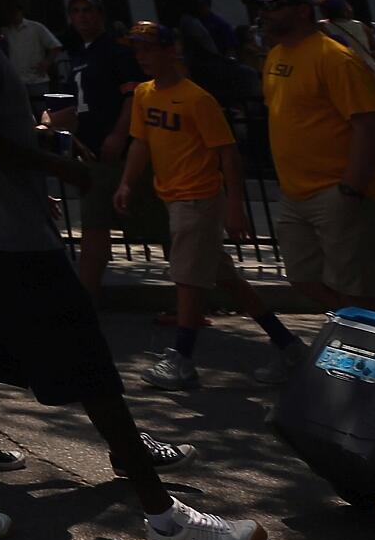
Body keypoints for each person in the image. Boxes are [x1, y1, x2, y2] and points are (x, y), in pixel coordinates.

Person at [0, 0, 263, 540]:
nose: (14, 0)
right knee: (91, 366)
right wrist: (61, 168)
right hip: (6, 236)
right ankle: (166, 522)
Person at [112, 22, 306, 387]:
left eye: (149, 48)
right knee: (226, 279)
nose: (142, 57)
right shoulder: (144, 94)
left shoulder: (197, 99)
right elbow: (141, 142)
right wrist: (126, 182)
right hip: (174, 197)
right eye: (137, 50)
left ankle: (182, 358)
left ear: (172, 51)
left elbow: (228, 154)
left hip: (197, 198)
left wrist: (234, 206)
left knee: (186, 278)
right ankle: (287, 342)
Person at [252, 0, 375, 311]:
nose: (263, 14)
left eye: (273, 6)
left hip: (339, 190)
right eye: (262, 7)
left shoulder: (335, 58)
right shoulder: (275, 57)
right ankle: (356, 332)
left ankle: (364, 348)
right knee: (302, 278)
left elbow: (368, 125)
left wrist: (351, 188)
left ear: (302, 11)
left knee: (355, 287)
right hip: (295, 193)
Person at [60, 0, 141, 295]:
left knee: (152, 222)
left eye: (88, 10)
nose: (82, 17)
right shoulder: (79, 55)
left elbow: (133, 96)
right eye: (76, 11)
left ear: (101, 16)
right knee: (93, 224)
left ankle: (190, 297)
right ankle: (86, 296)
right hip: (91, 151)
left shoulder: (117, 52)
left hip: (120, 150)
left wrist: (119, 134)